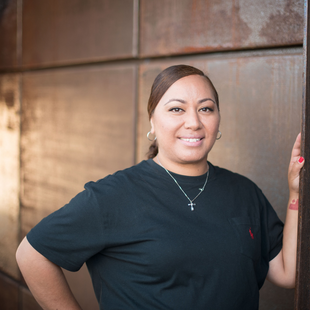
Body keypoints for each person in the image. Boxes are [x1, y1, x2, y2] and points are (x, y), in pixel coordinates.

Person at [16, 65, 304, 310]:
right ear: (153, 121)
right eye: (176, 109)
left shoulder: (244, 192)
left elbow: (287, 273)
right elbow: (32, 254)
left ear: (218, 121)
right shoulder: (115, 195)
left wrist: (296, 194)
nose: (193, 122)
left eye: (206, 108)